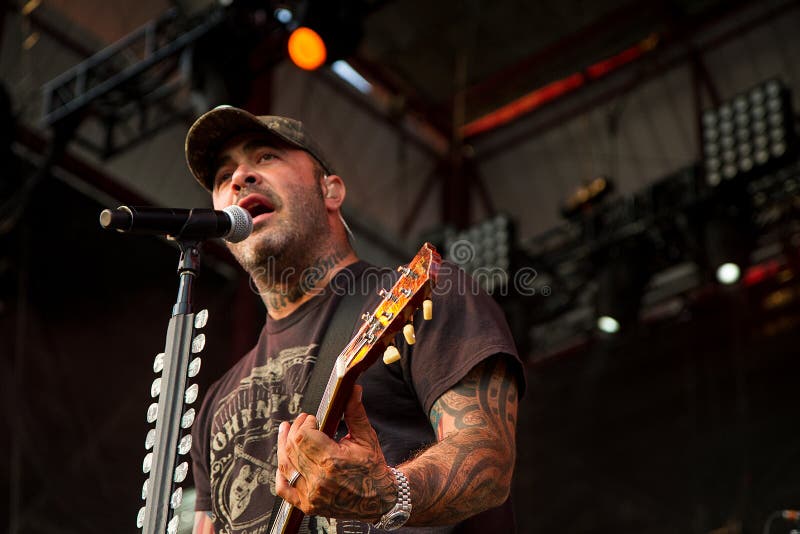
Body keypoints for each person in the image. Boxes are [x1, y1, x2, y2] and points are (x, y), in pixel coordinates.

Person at [185, 105, 525, 534]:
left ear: (331, 191)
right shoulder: (215, 404)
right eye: (222, 177)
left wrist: (390, 493)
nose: (239, 178)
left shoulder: (426, 297)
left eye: (266, 157)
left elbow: (487, 459)